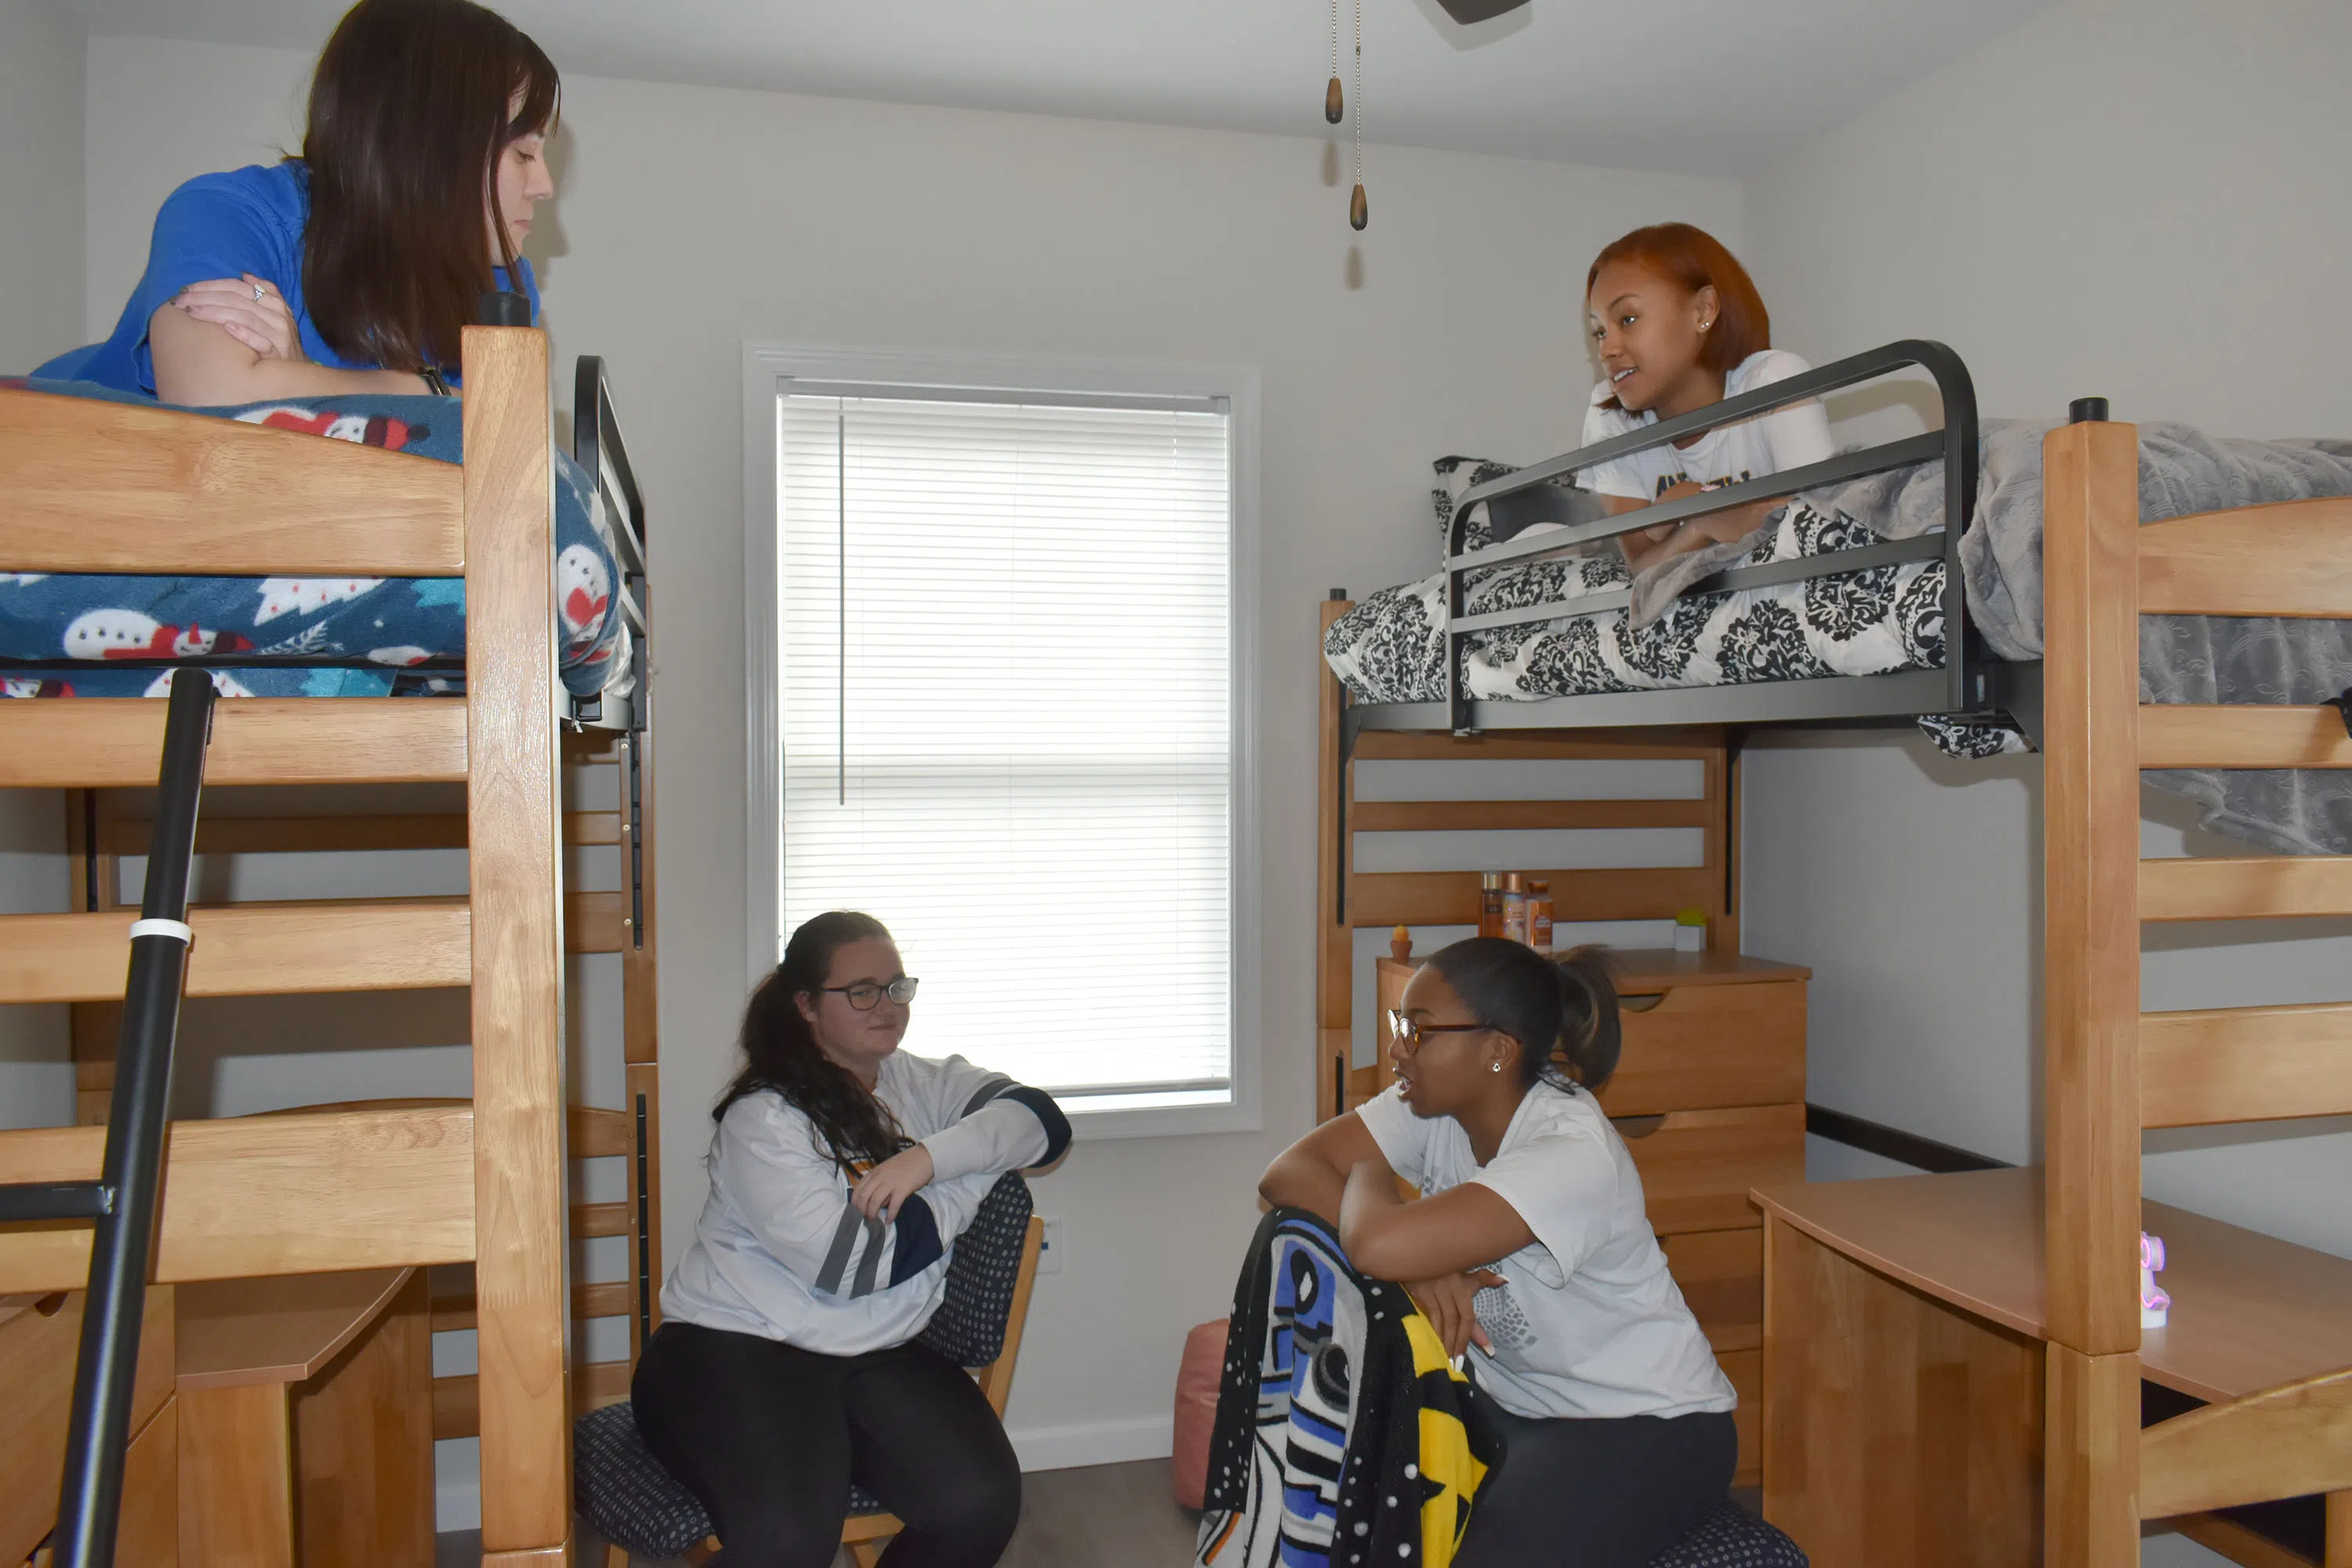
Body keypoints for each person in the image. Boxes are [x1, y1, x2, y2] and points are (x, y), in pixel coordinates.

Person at [1258, 938, 1735, 1568]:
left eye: (1419, 1030)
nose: (1399, 1048)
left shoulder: (1569, 1153)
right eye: (1402, 1025)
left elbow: (1374, 1242)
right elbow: (1287, 1173)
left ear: (1497, 1050)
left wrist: (1372, 1176)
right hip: (1511, 1404)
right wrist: (1421, 1265)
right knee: (1378, 1531)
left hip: (1647, 1424)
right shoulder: (1433, 1106)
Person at [633, 911, 1073, 1568]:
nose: (887, 1006)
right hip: (734, 1347)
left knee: (978, 1506)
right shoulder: (765, 1118)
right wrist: (966, 1171)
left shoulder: (923, 1082)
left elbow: (1044, 1124)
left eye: (897, 987)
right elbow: (857, 1265)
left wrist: (922, 1163)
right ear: (806, 1005)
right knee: (787, 1541)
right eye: (861, 990)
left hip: (878, 1351)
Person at [34, 0, 557, 405]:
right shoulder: (233, 212)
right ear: (429, 146)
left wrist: (300, 376)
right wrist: (427, 392)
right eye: (524, 153)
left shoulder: (502, 288)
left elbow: (508, 445)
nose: (544, 186)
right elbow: (211, 392)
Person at [1581, 222, 1835, 573]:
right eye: (1599, 332)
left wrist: (1681, 519)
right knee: (1541, 533)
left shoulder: (1773, 382)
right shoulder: (1611, 417)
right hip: (1593, 536)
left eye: (1628, 319)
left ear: (1703, 311)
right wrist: (1704, 524)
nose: (1607, 349)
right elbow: (1641, 568)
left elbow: (1821, 526)